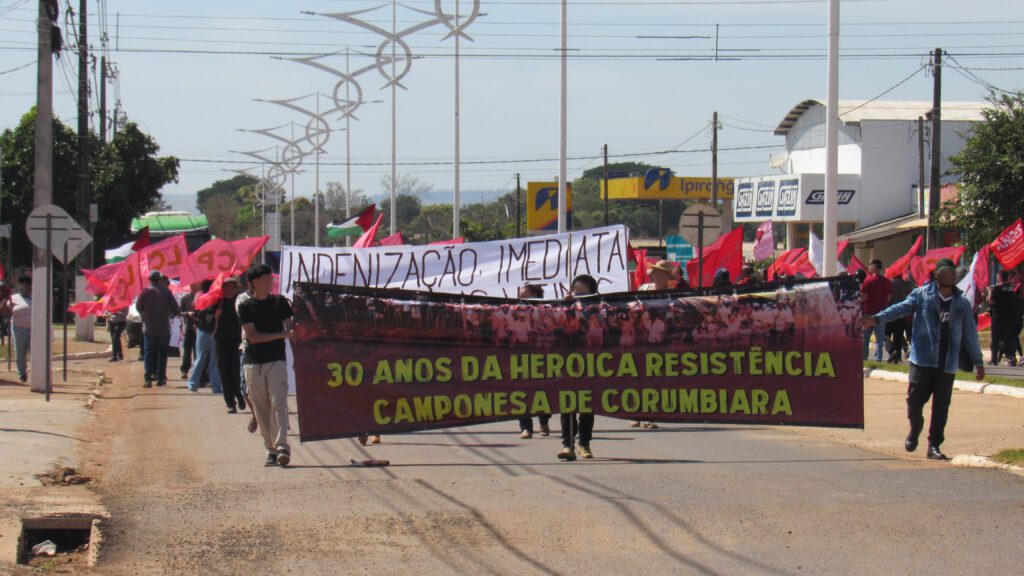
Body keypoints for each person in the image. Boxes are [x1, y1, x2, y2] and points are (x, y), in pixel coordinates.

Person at [864, 258, 984, 461]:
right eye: (944, 272)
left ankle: (934, 445)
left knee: (941, 407)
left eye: (951, 273)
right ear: (937, 275)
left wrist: (978, 361)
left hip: (947, 363)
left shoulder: (961, 303)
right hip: (922, 360)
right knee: (914, 403)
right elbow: (899, 308)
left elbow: (970, 334)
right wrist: (876, 318)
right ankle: (915, 427)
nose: (948, 276)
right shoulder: (921, 295)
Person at [239, 264, 295, 467]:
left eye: (271, 277)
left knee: (278, 402)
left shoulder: (280, 302)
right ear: (255, 281)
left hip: (277, 361)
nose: (270, 280)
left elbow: (291, 327)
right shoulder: (245, 307)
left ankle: (281, 446)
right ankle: (270, 449)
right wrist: (282, 335)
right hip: (253, 362)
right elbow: (253, 337)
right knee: (261, 408)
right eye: (266, 277)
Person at [559, 274, 599, 461]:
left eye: (584, 294)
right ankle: (568, 445)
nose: (579, 297)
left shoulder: (600, 309)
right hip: (567, 361)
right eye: (576, 293)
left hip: (590, 362)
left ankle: (585, 443)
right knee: (567, 404)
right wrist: (565, 306)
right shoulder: (564, 308)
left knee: (586, 406)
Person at [515, 284, 551, 439]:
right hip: (521, 356)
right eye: (521, 297)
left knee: (543, 392)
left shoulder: (548, 311)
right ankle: (525, 427)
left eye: (526, 296)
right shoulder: (514, 311)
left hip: (542, 356)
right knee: (521, 392)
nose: (523, 301)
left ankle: (543, 421)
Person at [136, 271, 180, 388]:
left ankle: (148, 379)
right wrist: (170, 312)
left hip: (149, 328)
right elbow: (176, 309)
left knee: (149, 353)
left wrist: (145, 316)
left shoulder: (145, 291)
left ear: (150, 279)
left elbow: (138, 307)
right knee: (162, 353)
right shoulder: (166, 291)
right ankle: (161, 378)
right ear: (160, 279)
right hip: (164, 328)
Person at [215, 277, 246, 413]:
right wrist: (214, 316)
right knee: (224, 372)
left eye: (231, 287)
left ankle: (239, 395)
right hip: (221, 342)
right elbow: (204, 319)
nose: (229, 289)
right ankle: (230, 403)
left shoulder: (240, 303)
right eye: (226, 287)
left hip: (237, 342)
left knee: (236, 372)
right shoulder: (217, 303)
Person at [188, 280, 223, 394]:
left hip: (202, 331)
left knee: (200, 359)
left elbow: (196, 314)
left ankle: (193, 384)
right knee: (214, 361)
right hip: (214, 332)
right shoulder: (219, 298)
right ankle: (216, 387)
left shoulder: (199, 296)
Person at [1, 276, 33, 382]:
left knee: (34, 352)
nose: (25, 288)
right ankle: (22, 374)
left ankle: (37, 372)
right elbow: (4, 311)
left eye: (27, 286)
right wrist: (5, 300)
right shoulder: (14, 298)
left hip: (33, 329)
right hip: (19, 328)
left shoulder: (35, 298)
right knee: (20, 352)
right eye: (22, 286)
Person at [861, 259, 892, 362]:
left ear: (874, 267)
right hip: (882, 313)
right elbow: (889, 297)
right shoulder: (887, 282)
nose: (869, 266)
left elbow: (863, 296)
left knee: (866, 337)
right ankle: (878, 358)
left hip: (868, 313)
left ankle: (864, 357)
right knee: (879, 338)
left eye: (870, 264)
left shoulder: (868, 281)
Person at [987, 270, 1019, 366]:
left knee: (995, 339)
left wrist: (989, 291)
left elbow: (991, 301)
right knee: (1008, 338)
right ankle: (1011, 357)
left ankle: (994, 360)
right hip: (1008, 317)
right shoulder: (1010, 289)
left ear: (999, 277)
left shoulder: (997, 289)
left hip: (997, 316)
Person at [886, 269, 915, 363]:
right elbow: (911, 282)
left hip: (891, 312)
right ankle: (897, 358)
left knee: (885, 335)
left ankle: (891, 350)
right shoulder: (906, 284)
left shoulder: (889, 283)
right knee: (898, 337)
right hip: (902, 313)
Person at [179, 283, 199, 379]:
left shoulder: (202, 297)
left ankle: (197, 371)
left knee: (197, 350)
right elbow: (179, 312)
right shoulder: (185, 298)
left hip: (199, 327)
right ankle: (185, 370)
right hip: (188, 326)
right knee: (187, 349)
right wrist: (187, 313)